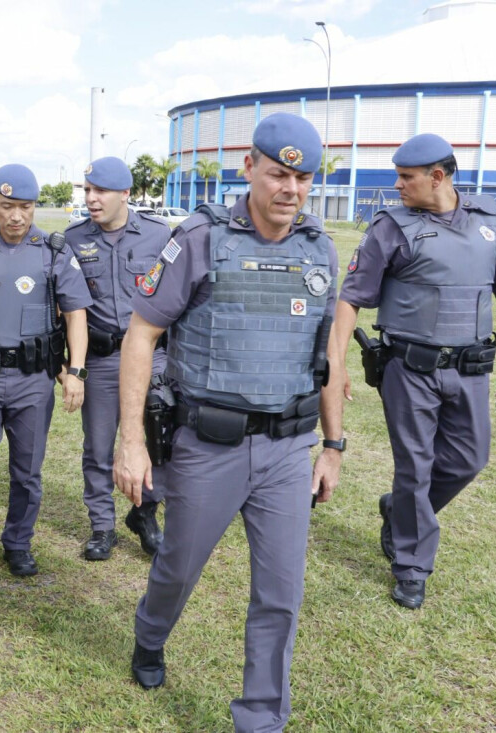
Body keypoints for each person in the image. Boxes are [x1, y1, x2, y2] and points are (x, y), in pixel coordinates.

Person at [114, 113, 344, 733]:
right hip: (207, 446)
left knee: (279, 595)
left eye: (302, 178)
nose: (290, 189)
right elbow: (142, 336)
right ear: (249, 168)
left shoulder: (320, 249)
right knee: (179, 566)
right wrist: (131, 440)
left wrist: (333, 445)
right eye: (278, 174)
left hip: (288, 451)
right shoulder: (198, 238)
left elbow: (328, 358)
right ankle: (151, 633)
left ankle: (261, 719)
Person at [331, 133, 496, 610]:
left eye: (406, 178)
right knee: (415, 468)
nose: (397, 186)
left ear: (437, 177)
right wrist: (335, 362)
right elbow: (351, 297)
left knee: (469, 460)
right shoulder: (390, 227)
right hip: (409, 369)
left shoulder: (490, 222)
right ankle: (412, 565)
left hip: (470, 369)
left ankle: (400, 511)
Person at [0, 163, 91, 577]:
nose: (16, 216)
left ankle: (18, 542)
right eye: (7, 206)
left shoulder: (54, 252)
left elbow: (76, 314)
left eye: (25, 207)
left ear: (34, 206)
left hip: (33, 380)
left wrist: (75, 372)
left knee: (27, 472)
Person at [64, 157, 170, 561]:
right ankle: (102, 526)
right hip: (103, 357)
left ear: (125, 194)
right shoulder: (73, 240)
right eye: (88, 191)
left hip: (154, 358)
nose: (92, 199)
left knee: (160, 439)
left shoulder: (159, 236)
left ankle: (145, 511)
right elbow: (63, 307)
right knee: (99, 446)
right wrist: (68, 365)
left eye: (101, 191)